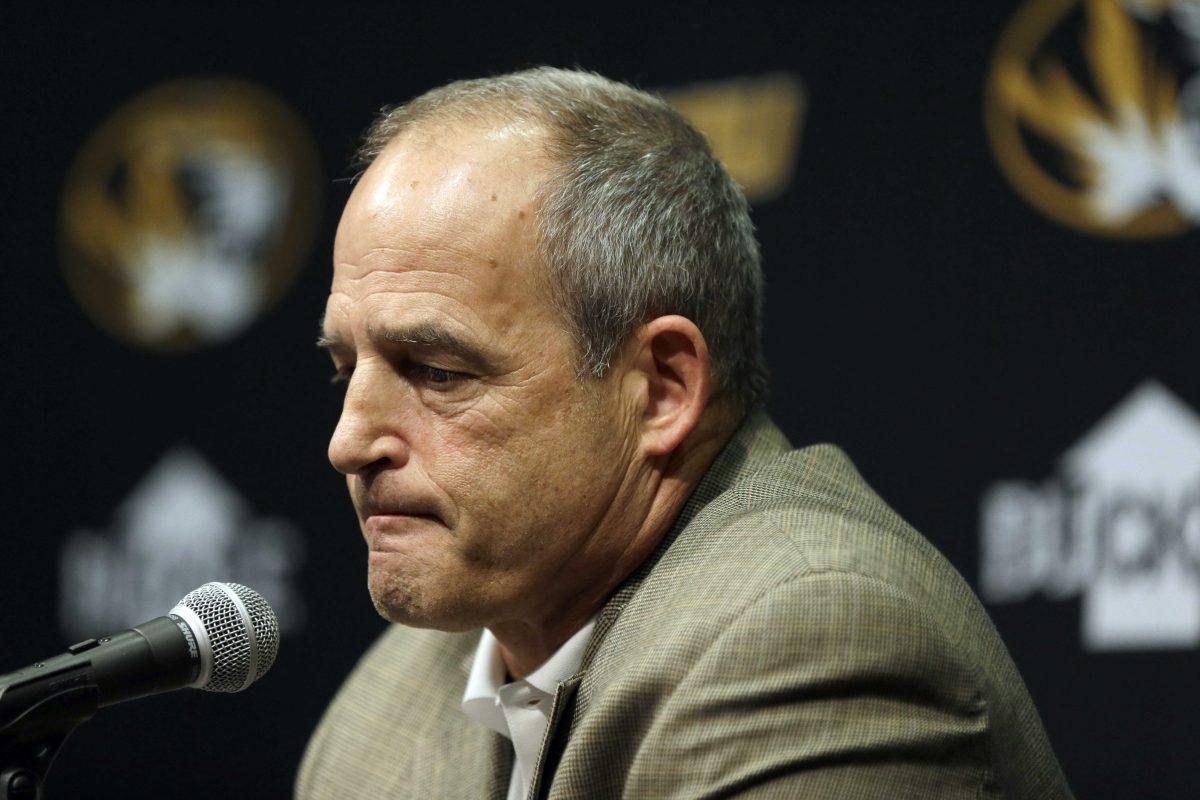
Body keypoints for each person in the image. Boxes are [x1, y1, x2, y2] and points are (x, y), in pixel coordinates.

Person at [297, 67, 1072, 799]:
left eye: (437, 372)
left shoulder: (809, 640)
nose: (349, 443)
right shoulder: (387, 705)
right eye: (345, 370)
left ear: (663, 389)